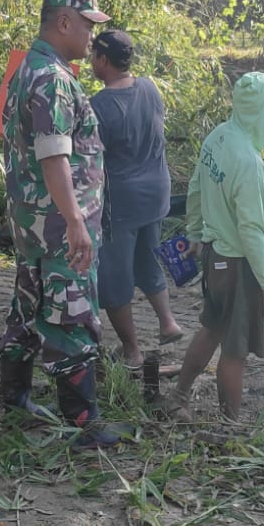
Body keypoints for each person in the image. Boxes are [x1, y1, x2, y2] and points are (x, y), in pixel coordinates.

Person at [0, 0, 130, 451]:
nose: (93, 36)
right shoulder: (52, 78)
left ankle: (13, 398)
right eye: (88, 25)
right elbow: (53, 156)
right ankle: (83, 425)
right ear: (64, 23)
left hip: (32, 221)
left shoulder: (26, 68)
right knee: (71, 315)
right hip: (58, 226)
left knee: (28, 305)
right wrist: (75, 220)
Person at [165, 72, 264, 422]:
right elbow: (251, 232)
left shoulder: (218, 136)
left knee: (212, 328)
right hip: (237, 264)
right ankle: (230, 427)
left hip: (214, 255)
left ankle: (178, 396)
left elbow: (195, 187)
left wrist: (194, 232)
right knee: (235, 352)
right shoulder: (248, 162)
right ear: (263, 112)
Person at [89, 29, 184, 370]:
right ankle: (168, 322)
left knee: (114, 276)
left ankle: (132, 351)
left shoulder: (99, 106)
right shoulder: (149, 88)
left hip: (122, 202)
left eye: (93, 56)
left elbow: (90, 158)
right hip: (156, 192)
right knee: (147, 257)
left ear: (103, 60)